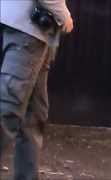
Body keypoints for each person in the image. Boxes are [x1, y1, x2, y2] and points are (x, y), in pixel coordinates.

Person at [0, 0, 73, 179]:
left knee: (34, 115)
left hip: (36, 32)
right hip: (29, 32)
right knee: (8, 111)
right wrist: (64, 17)